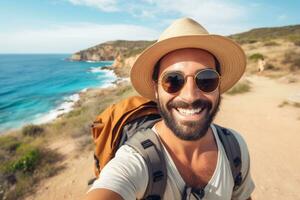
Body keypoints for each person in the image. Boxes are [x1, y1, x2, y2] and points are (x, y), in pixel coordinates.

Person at [85, 17, 255, 200]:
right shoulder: (136, 160)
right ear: (156, 90)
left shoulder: (235, 147)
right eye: (173, 81)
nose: (190, 96)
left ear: (219, 87)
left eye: (206, 80)